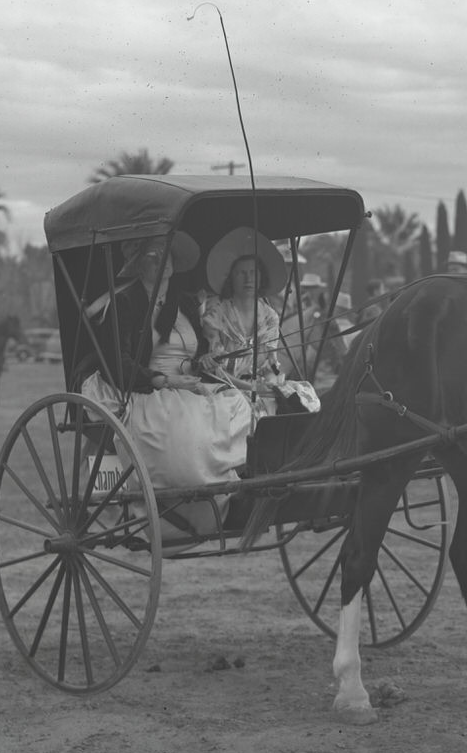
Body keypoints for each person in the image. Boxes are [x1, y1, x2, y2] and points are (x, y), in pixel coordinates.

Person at [75, 232, 252, 533]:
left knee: (237, 402)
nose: (161, 261)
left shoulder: (183, 304)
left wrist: (204, 362)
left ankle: (228, 490)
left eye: (166, 255)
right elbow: (119, 362)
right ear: (137, 263)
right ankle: (184, 507)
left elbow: (196, 353)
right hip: (144, 385)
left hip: (188, 382)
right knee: (184, 422)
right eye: (152, 256)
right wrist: (166, 380)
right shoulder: (124, 303)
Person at [202, 226, 319, 415]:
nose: (248, 279)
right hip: (227, 388)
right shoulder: (217, 313)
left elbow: (272, 364)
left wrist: (272, 384)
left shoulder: (269, 316)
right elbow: (216, 370)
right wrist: (251, 389)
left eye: (253, 273)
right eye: (241, 273)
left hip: (260, 388)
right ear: (231, 277)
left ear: (260, 277)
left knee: (302, 401)